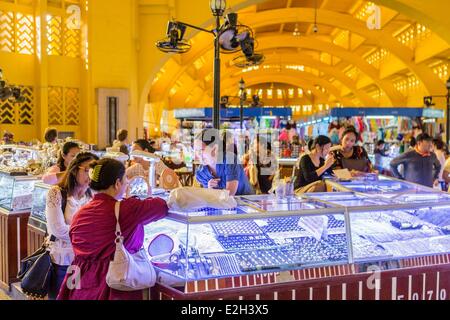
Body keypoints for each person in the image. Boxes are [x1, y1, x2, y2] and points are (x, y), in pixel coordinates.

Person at [57, 158, 168, 300]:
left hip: (81, 285)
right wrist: (132, 198)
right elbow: (161, 206)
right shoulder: (126, 209)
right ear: (117, 184)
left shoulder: (80, 213)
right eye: (125, 182)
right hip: (114, 286)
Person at [45, 152, 99, 300]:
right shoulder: (56, 193)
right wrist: (90, 234)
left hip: (86, 262)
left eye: (95, 171)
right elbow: (58, 229)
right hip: (62, 261)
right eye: (88, 170)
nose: (91, 175)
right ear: (75, 169)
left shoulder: (92, 196)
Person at [195, 129, 254, 196]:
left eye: (201, 150)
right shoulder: (201, 172)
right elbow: (207, 198)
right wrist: (209, 189)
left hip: (247, 203)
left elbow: (229, 194)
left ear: (215, 149)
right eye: (196, 151)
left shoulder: (229, 159)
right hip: (221, 205)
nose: (198, 155)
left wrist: (212, 194)